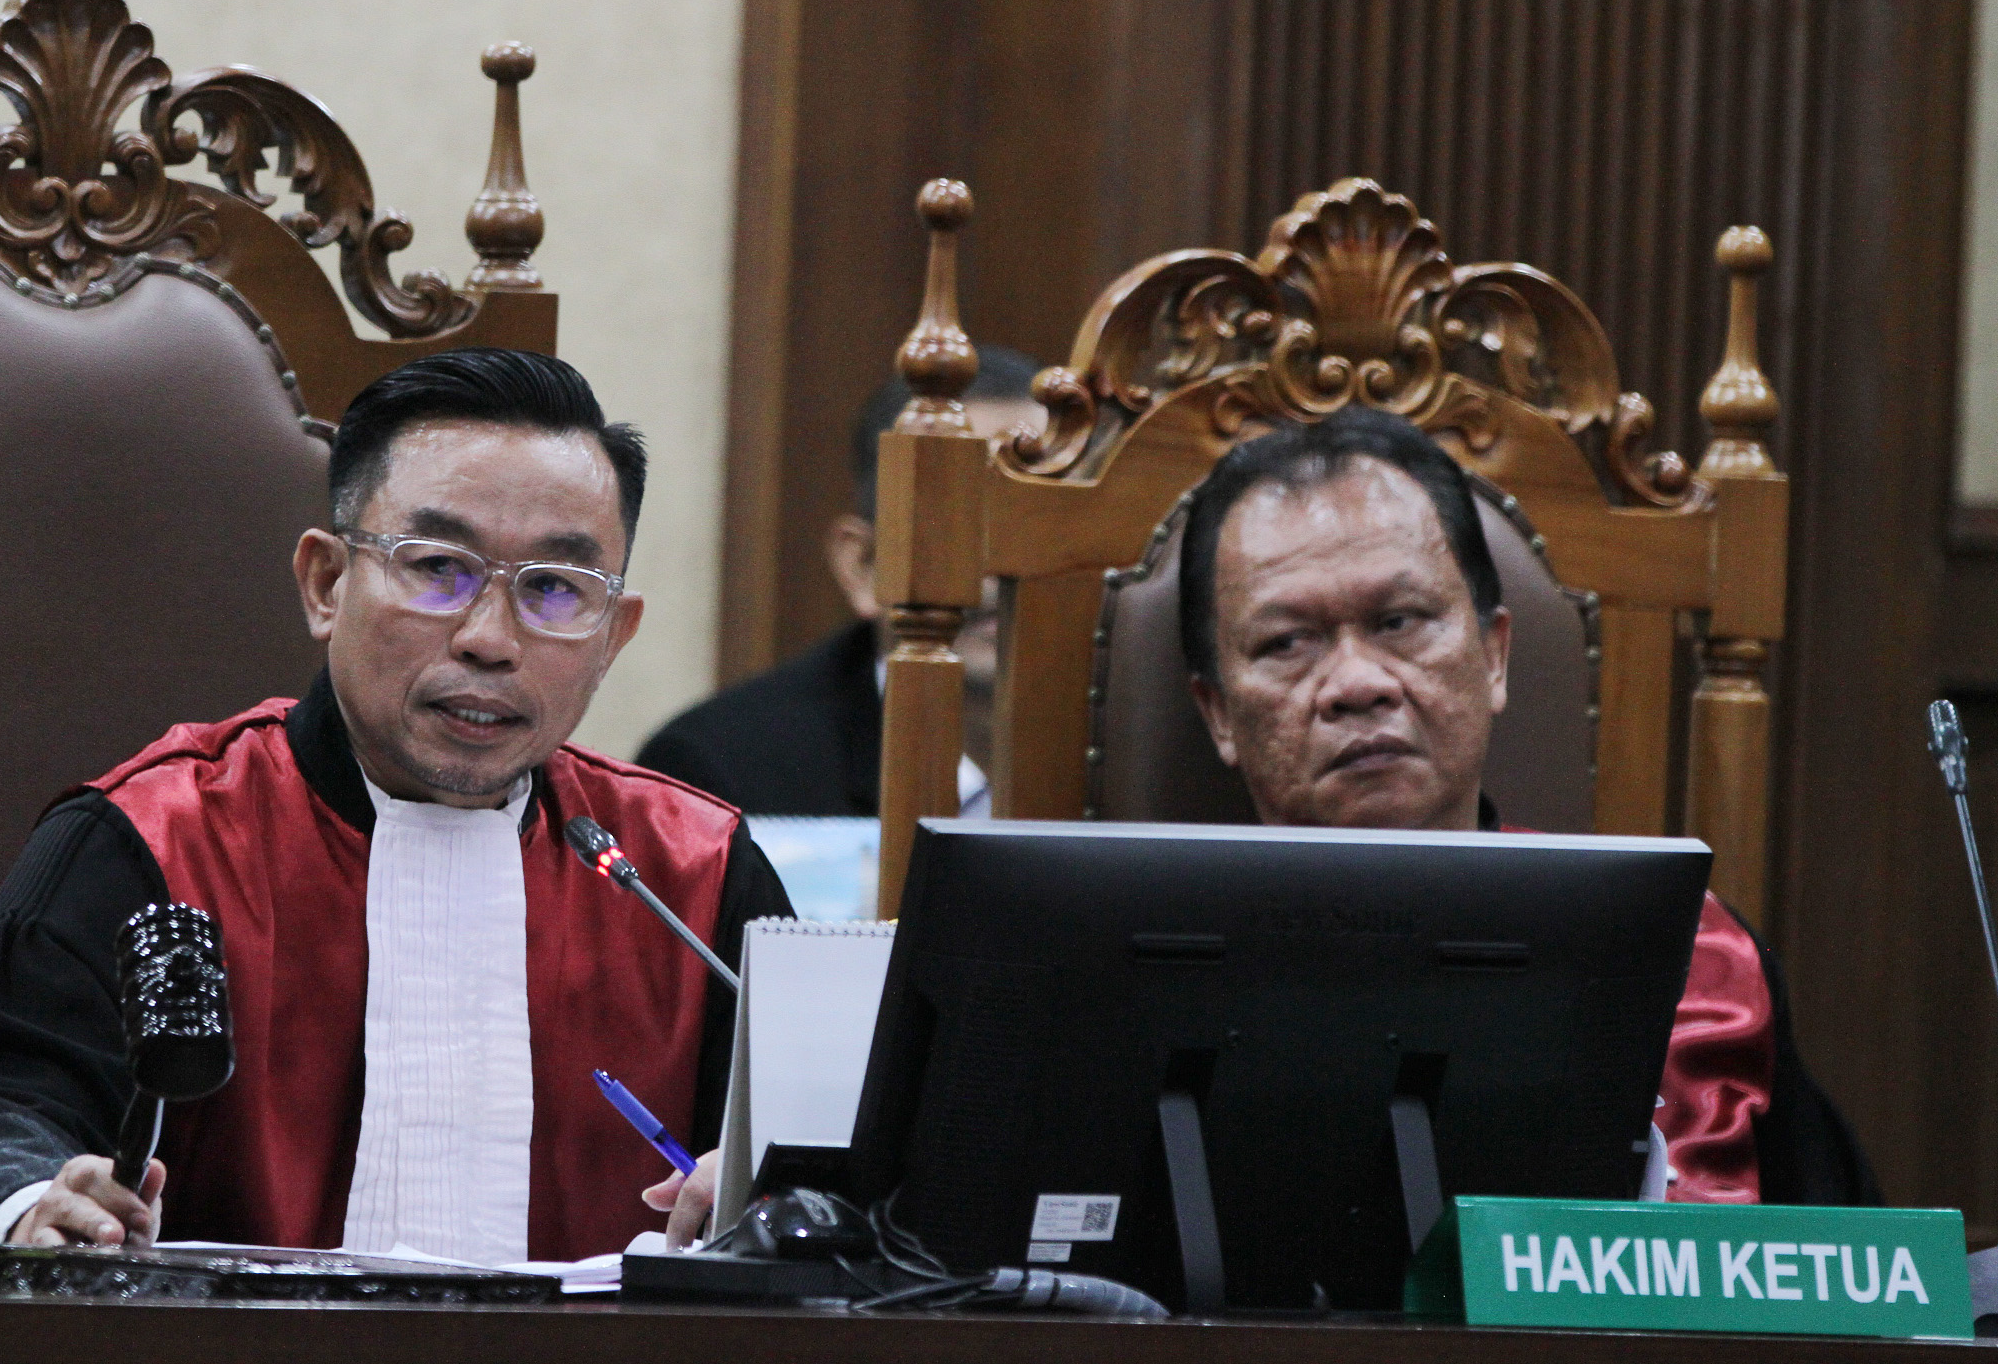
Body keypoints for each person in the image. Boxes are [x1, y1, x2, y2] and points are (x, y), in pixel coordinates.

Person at [0, 349, 789, 1281]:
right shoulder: (157, 840)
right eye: (437, 567)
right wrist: (32, 1206)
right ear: (326, 583)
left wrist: (785, 1203)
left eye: (553, 588)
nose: (489, 639)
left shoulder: (690, 874)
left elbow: (834, 1178)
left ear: (613, 634)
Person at [1179, 404, 1876, 1205]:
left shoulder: (1692, 966)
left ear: (1493, 655)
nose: (1356, 684)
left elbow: (1837, 1269)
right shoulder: (1140, 971)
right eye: (1285, 643)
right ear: (1218, 713)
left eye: (1397, 621)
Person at [637, 348, 1042, 814]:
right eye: (965, 525)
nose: (1011, 566)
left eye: (1044, 523)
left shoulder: (1119, 748)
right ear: (863, 566)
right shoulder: (718, 773)